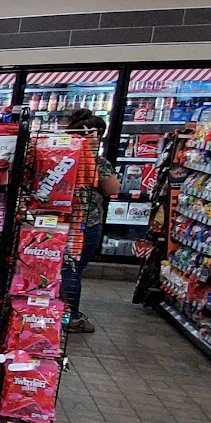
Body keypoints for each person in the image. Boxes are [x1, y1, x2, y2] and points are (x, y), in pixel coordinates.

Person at [60, 110, 118, 334]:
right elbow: (112, 189)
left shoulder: (56, 155)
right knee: (73, 270)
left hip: (55, 221)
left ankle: (51, 312)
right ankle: (70, 317)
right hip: (85, 223)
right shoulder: (97, 162)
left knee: (58, 267)